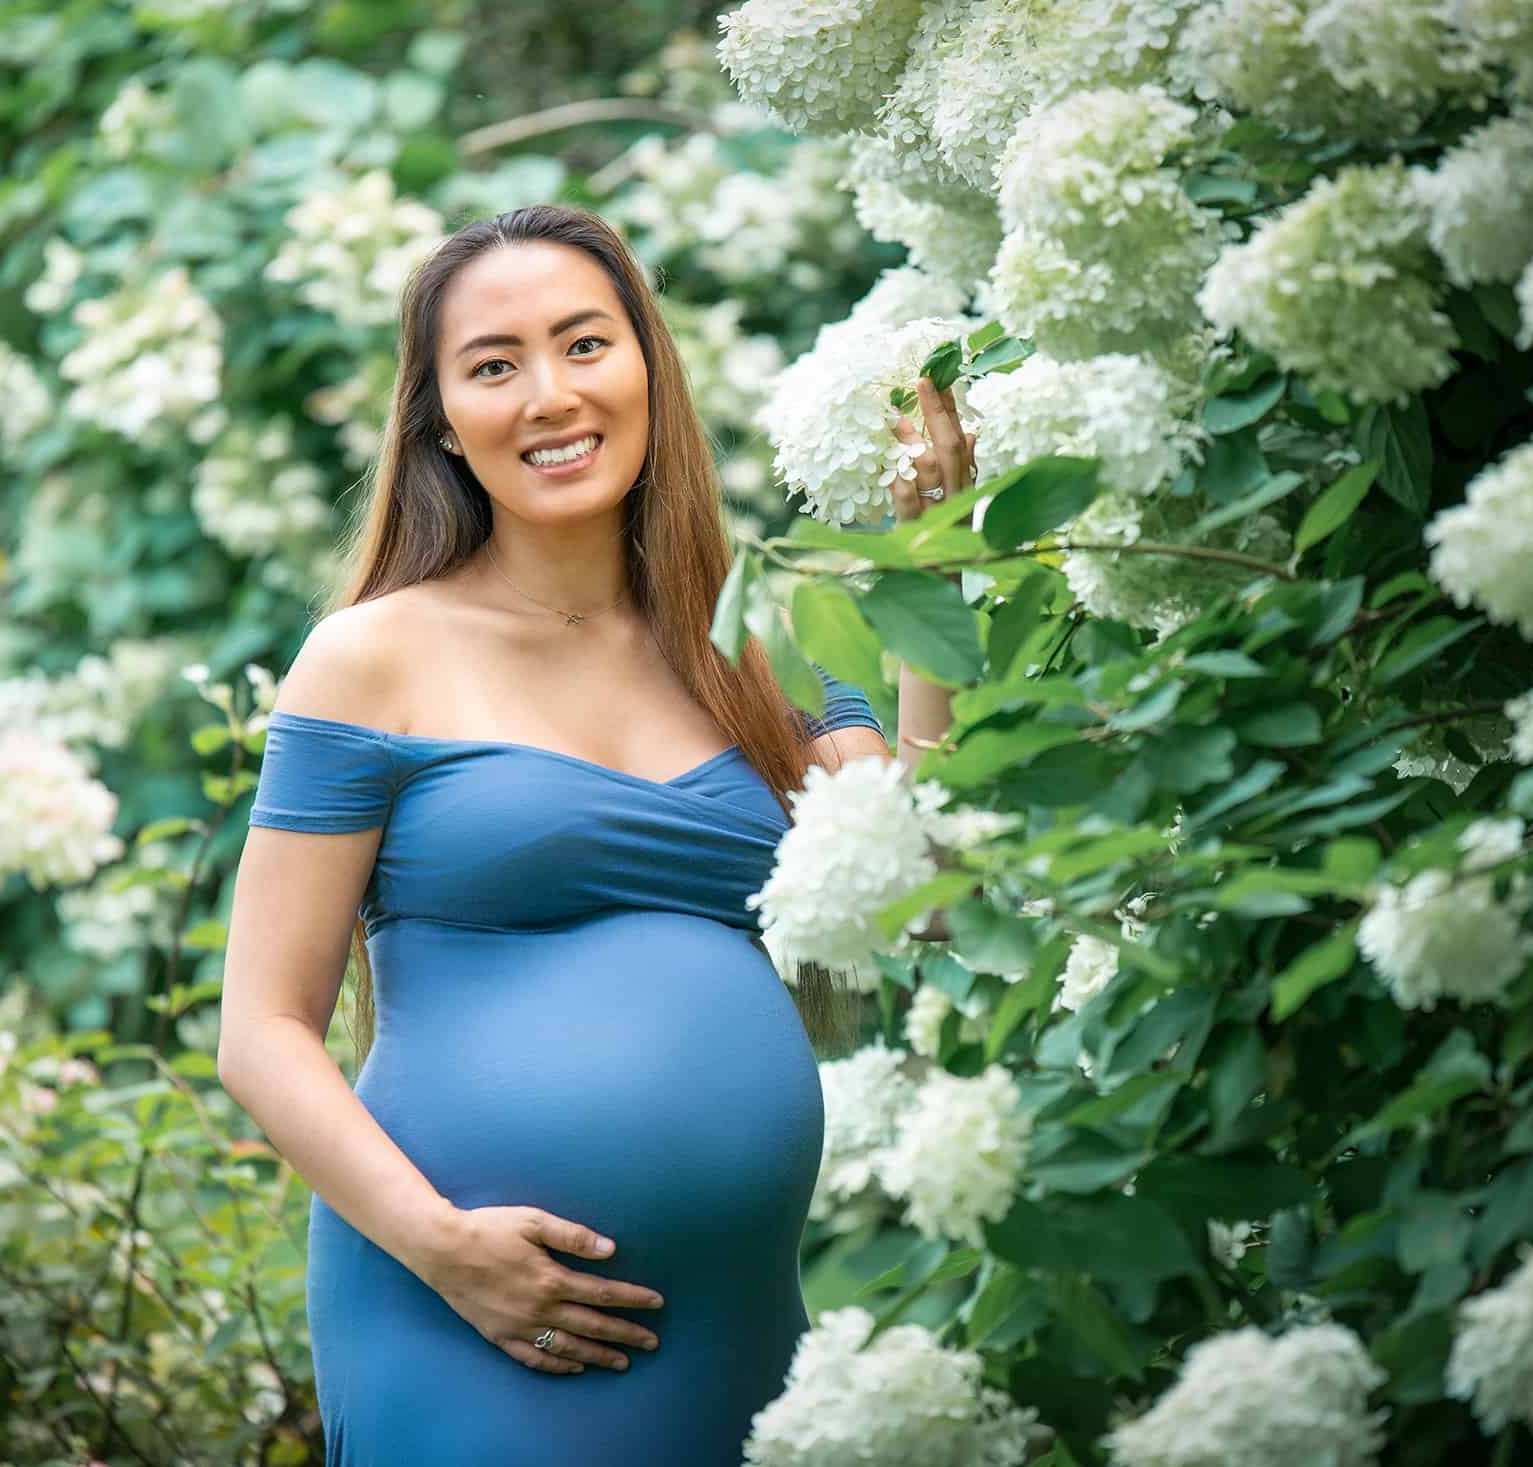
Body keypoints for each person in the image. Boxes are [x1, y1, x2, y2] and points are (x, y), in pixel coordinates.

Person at [216, 203, 976, 1464]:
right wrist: (443, 1247)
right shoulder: (370, 659)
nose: (549, 396)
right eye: (493, 366)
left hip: (734, 1323)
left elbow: (931, 898)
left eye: (583, 344)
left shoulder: (766, 634)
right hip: (465, 1312)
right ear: (441, 424)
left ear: (646, 369)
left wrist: (928, 578)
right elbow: (261, 1029)